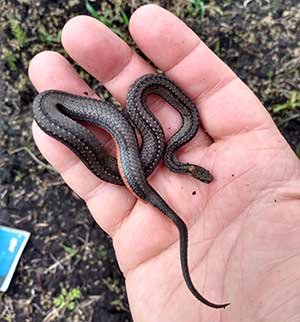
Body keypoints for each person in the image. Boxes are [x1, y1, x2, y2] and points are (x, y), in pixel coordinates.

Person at [29, 4, 300, 322]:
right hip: (61, 108)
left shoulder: (171, 143)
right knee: (117, 150)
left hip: (126, 146)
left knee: (122, 160)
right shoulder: (162, 144)